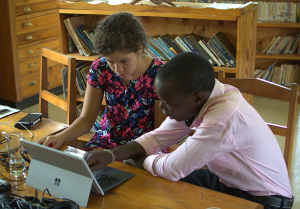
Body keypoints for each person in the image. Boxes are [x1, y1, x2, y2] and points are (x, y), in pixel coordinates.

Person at [84, 52, 294, 209]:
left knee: (162, 187)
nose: (162, 108)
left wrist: (137, 160)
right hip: (228, 182)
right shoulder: (200, 96)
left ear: (197, 98)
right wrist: (111, 155)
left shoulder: (222, 118)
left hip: (262, 200)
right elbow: (157, 137)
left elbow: (173, 168)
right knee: (154, 183)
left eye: (168, 103)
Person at [37, 12, 169, 153]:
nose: (118, 69)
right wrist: (61, 136)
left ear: (139, 49)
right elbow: (86, 119)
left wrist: (117, 156)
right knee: (81, 169)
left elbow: (158, 134)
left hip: (144, 147)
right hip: (107, 140)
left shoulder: (160, 74)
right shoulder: (100, 68)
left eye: (124, 61)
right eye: (110, 61)